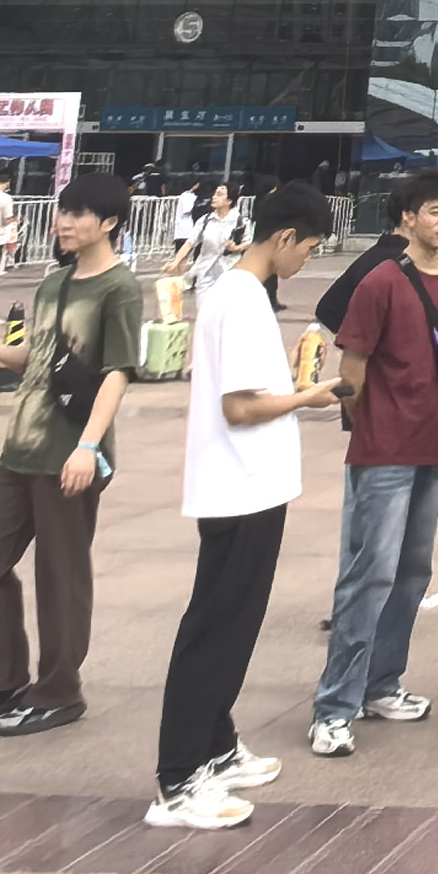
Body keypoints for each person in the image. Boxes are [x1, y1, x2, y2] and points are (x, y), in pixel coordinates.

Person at [147, 180, 335, 830]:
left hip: (249, 483)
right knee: (218, 629)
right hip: (241, 485)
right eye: (308, 248)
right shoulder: (244, 298)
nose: (307, 259)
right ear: (284, 237)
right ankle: (178, 780)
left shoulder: (239, 292)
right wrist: (311, 396)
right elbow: (242, 407)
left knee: (232, 623)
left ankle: (216, 746)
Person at [0, 169, 143, 741]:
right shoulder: (54, 284)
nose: (64, 222)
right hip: (21, 447)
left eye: (77, 214)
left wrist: (87, 447)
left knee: (60, 577)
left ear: (109, 223)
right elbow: (42, 357)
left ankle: (58, 691)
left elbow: (118, 372)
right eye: (62, 211)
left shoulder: (119, 288)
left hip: (69, 454)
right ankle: (1, 681)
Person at [308, 169, 438, 757]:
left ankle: (381, 684)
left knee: (412, 573)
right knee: (369, 575)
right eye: (434, 211)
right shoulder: (380, 280)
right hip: (382, 451)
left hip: (433, 447)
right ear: (407, 217)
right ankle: (334, 708)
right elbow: (350, 369)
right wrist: (372, 429)